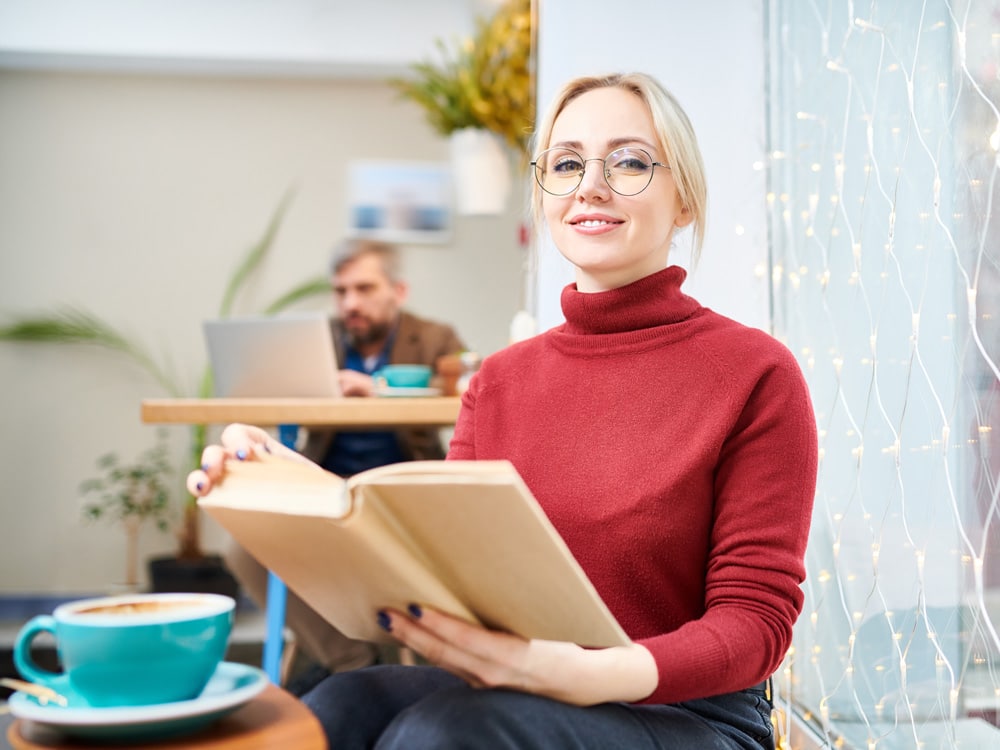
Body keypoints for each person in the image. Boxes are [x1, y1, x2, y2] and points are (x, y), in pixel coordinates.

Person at [191, 72, 817, 749]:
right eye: (567, 163)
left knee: (445, 731)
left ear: (685, 200)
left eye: (630, 161)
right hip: (518, 687)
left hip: (690, 714)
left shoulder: (756, 374)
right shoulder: (501, 381)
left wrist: (586, 673)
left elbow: (755, 625)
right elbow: (439, 581)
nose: (591, 186)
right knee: (338, 704)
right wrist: (296, 497)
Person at [223, 237, 466, 688]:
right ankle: (352, 661)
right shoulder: (315, 342)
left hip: (401, 492)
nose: (350, 302)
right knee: (245, 549)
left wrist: (381, 390)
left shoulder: (433, 337)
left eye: (364, 288)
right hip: (321, 487)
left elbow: (467, 384)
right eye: (341, 291)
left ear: (399, 291)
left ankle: (357, 669)